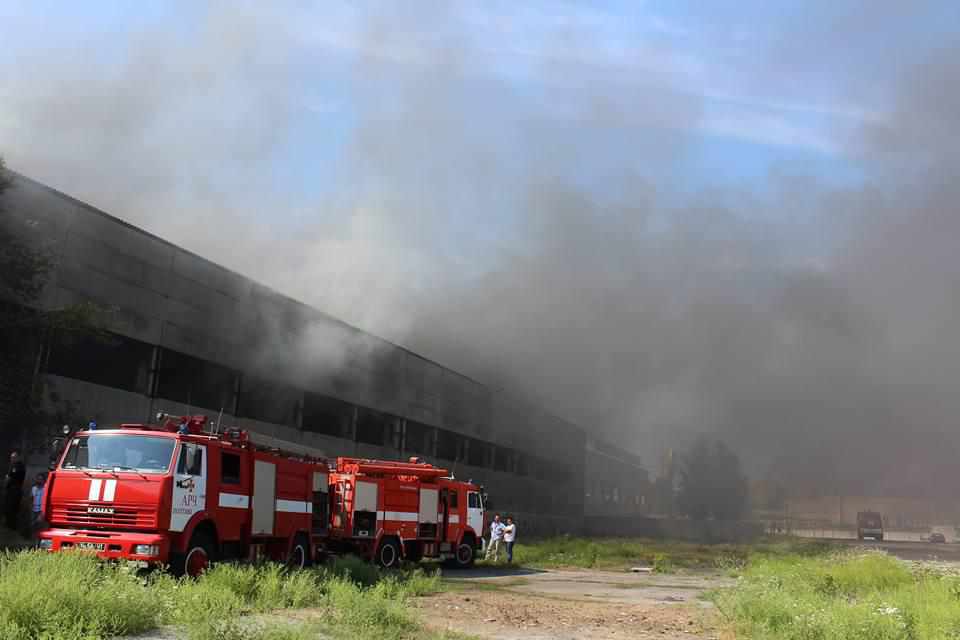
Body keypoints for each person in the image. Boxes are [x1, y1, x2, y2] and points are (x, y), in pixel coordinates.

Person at [4, 451, 26, 530]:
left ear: (17, 457)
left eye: (13, 457)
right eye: (11, 457)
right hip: (12, 489)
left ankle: (11, 526)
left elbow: (9, 477)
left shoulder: (17, 466)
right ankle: (9, 524)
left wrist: (7, 479)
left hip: (15, 490)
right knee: (9, 507)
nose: (12, 459)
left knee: (12, 508)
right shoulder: (14, 465)